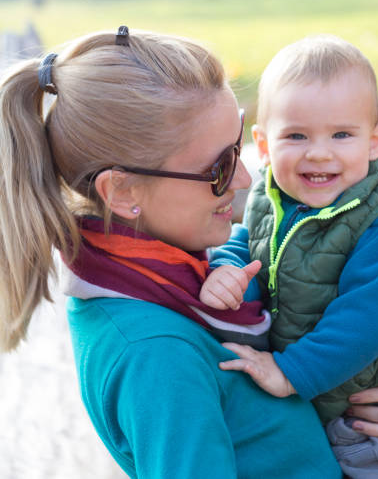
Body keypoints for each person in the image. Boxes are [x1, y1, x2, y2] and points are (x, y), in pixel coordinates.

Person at [0, 27, 343, 479]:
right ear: (122, 191)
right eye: (219, 166)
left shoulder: (169, 277)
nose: (243, 180)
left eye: (239, 148)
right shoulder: (154, 353)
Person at [200, 34, 378, 478]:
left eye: (341, 134)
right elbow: (250, 243)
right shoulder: (266, 198)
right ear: (264, 144)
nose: (319, 151)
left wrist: (290, 372)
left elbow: (367, 318)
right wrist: (226, 268)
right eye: (296, 135)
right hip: (322, 402)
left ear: (375, 140)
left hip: (373, 417)